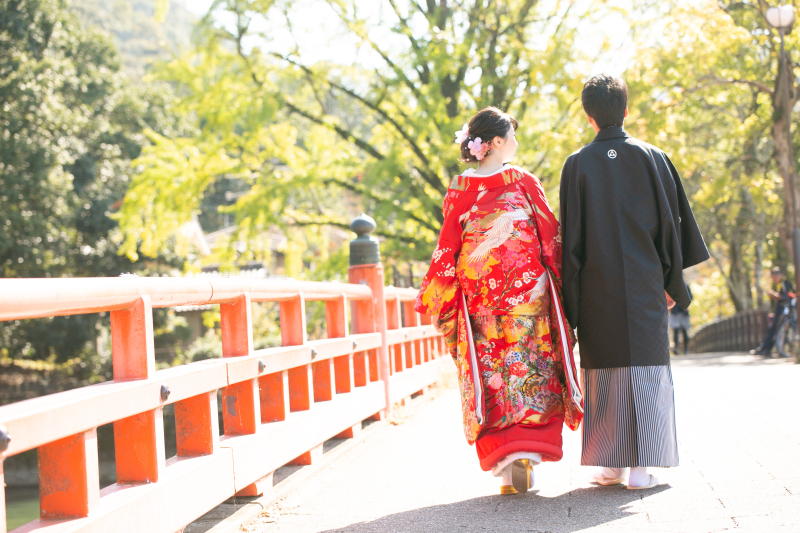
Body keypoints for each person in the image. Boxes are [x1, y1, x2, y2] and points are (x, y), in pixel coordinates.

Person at [415, 107, 583, 496]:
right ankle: (529, 454)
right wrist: (563, 281)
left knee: (492, 374)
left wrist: (441, 295)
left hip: (481, 305)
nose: (516, 143)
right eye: (512, 137)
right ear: (493, 144)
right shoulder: (522, 181)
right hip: (529, 298)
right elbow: (550, 236)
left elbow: (447, 249)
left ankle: (507, 467)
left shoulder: (459, 189)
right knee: (532, 367)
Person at [559, 75, 709, 490]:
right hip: (647, 282)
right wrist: (671, 282)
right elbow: (673, 224)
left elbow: (571, 241)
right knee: (646, 367)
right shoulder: (652, 156)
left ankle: (611, 463)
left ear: (589, 116)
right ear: (626, 109)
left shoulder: (577, 164)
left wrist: (570, 301)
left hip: (595, 287)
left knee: (604, 368)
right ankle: (642, 468)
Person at [753, 267, 794, 357]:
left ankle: (766, 348)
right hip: (781, 309)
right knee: (773, 327)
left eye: (773, 278)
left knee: (775, 328)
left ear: (779, 275)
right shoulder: (780, 283)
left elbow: (787, 296)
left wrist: (774, 295)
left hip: (785, 309)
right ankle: (765, 347)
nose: (773, 280)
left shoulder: (785, 283)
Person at [669, 285, 693, 355]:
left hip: (683, 311)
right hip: (675, 311)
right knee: (675, 331)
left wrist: (686, 304)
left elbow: (690, 297)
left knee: (684, 331)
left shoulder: (686, 286)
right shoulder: (672, 285)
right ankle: (676, 348)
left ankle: (686, 349)